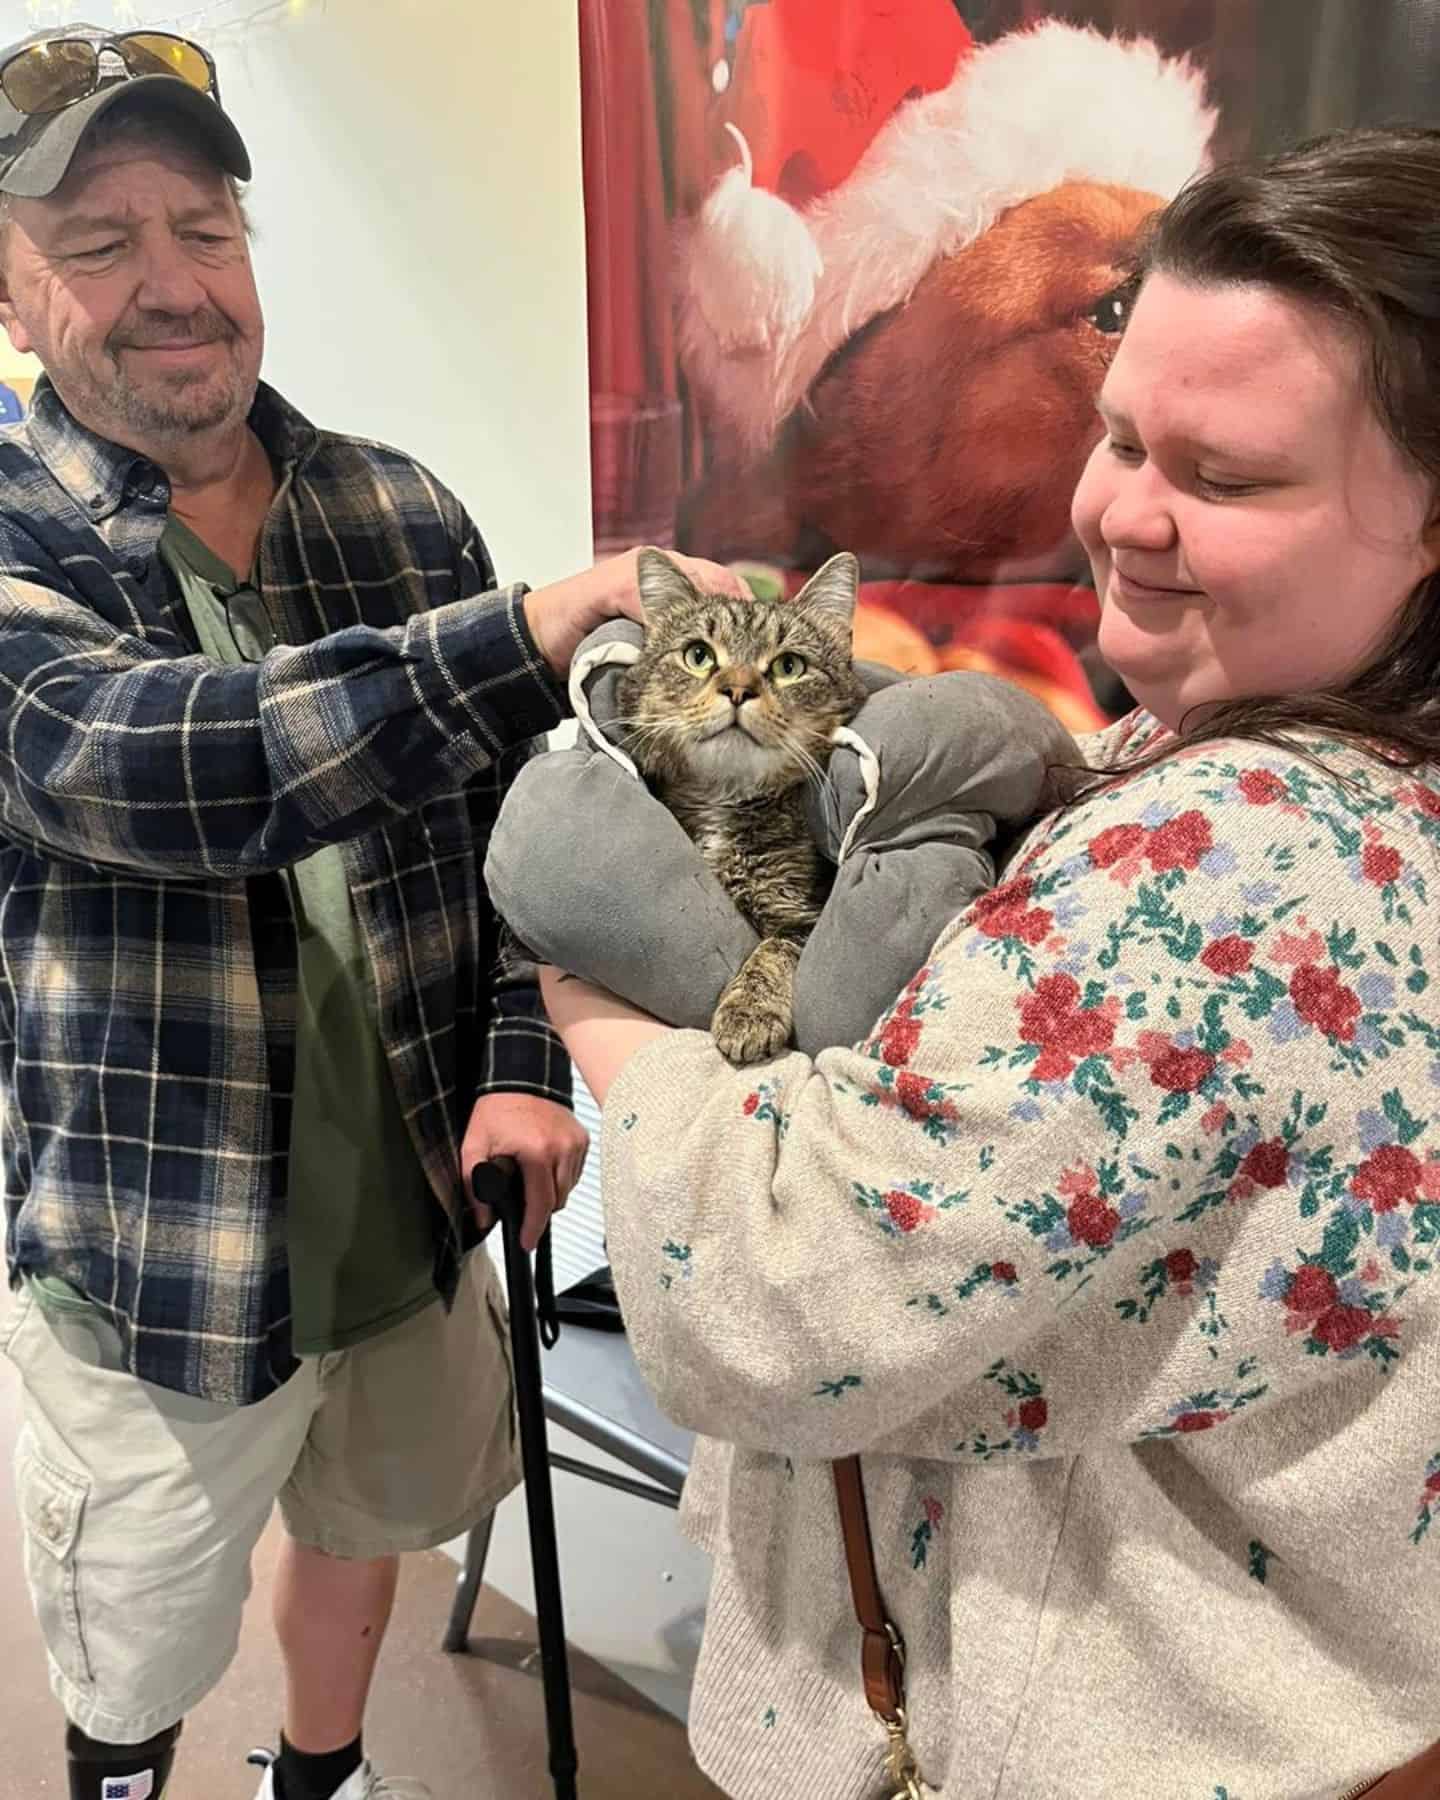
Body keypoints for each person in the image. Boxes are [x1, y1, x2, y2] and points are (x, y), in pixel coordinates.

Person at [541, 127, 1440, 1800]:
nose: (1121, 515)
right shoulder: (1255, 764)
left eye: (1225, 477)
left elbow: (785, 1299)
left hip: (1100, 1728)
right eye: (1116, 436)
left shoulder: (1224, 857)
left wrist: (598, 995)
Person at [0, 23, 743, 1800]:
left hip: (411, 1195)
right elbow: (151, 763)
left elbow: (512, 836)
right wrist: (527, 626)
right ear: (13, 290)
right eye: (98, 244)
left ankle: (314, 1779)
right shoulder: (16, 534)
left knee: (367, 1526)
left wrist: (517, 1062)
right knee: (140, 1631)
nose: (172, 284)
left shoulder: (396, 506)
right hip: (157, 1247)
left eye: (205, 225)